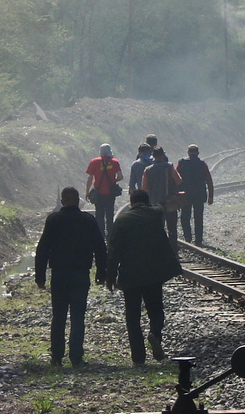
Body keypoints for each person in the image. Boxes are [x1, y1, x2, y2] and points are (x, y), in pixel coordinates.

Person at [106, 189, 182, 367]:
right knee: (156, 310)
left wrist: (110, 276)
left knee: (132, 317)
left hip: (130, 275)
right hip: (153, 274)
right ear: (147, 203)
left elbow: (113, 252)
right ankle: (155, 333)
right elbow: (159, 206)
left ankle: (138, 358)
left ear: (131, 203)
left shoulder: (121, 221)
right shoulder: (155, 214)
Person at [34, 186, 108, 368]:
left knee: (58, 316)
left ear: (62, 202)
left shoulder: (53, 220)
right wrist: (101, 273)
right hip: (80, 275)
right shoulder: (88, 220)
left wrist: (40, 276)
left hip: (59, 274)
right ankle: (76, 357)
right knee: (77, 317)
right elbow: (100, 248)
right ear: (78, 202)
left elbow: (42, 249)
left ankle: (57, 356)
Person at [142, 146, 183, 249]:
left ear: (153, 156)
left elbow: (145, 187)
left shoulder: (147, 170)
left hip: (155, 203)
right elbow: (178, 181)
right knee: (172, 228)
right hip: (170, 202)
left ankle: (158, 250)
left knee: (157, 228)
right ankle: (173, 250)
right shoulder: (169, 166)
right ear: (163, 155)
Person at [176, 144, 214, 245]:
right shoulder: (202, 164)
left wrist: (175, 194)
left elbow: (175, 178)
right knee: (198, 217)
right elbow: (209, 180)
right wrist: (211, 196)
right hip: (199, 194)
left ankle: (187, 237)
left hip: (185, 194)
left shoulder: (182, 162)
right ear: (198, 153)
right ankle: (198, 240)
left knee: (185, 217)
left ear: (188, 152)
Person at [85, 143, 122, 239]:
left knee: (99, 215)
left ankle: (100, 235)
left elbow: (90, 178)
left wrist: (87, 192)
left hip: (98, 193)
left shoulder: (94, 162)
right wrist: (113, 181)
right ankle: (110, 235)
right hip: (110, 193)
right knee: (110, 214)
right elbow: (120, 176)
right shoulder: (115, 162)